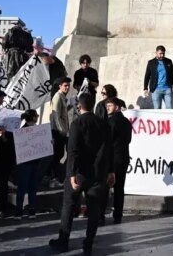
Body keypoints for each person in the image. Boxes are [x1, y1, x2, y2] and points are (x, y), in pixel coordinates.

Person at [49, 93, 113, 254]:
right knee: (94, 211)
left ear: (79, 106)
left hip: (79, 173)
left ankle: (63, 240)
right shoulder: (103, 124)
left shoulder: (77, 123)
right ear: (93, 105)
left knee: (69, 206)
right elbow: (109, 150)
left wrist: (70, 174)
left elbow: (72, 151)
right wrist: (111, 171)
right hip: (98, 174)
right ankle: (88, 242)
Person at [99, 98, 132, 225]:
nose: (108, 107)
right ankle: (118, 215)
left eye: (110, 105)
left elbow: (107, 142)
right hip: (123, 157)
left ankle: (101, 215)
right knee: (119, 188)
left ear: (117, 107)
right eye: (107, 105)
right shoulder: (126, 122)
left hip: (112, 159)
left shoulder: (111, 121)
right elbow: (128, 140)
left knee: (105, 187)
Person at [14, 110, 42, 219]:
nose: (37, 117)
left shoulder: (36, 130)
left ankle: (30, 210)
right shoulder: (24, 131)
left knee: (30, 187)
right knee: (25, 187)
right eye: (36, 116)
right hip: (26, 163)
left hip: (32, 162)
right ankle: (21, 211)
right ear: (33, 117)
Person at [49, 77, 72, 187]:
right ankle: (54, 179)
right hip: (58, 132)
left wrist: (70, 106)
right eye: (65, 85)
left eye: (68, 85)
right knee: (57, 154)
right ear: (60, 86)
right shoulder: (57, 97)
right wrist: (61, 130)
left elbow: (62, 112)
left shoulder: (62, 97)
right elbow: (56, 116)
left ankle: (55, 177)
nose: (67, 87)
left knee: (60, 154)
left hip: (61, 131)